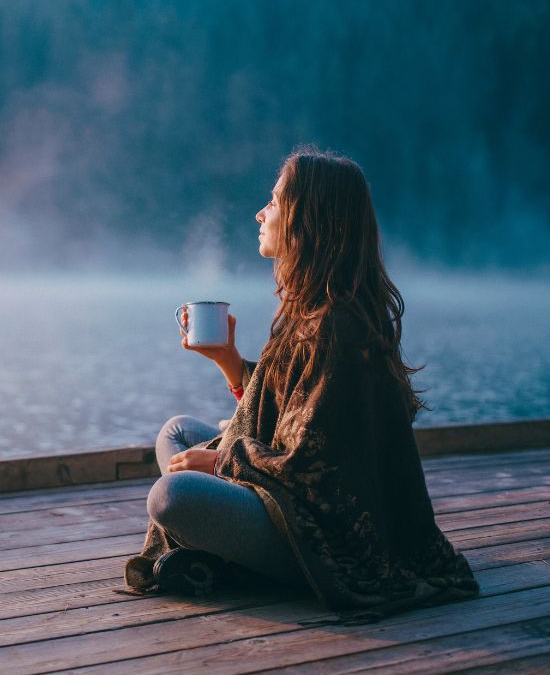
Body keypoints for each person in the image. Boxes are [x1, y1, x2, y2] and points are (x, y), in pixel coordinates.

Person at [138, 145, 479, 625]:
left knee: (171, 497)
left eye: (274, 201)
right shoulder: (311, 308)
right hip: (285, 498)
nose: (260, 212)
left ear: (308, 219)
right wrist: (229, 362)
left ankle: (244, 562)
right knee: (177, 433)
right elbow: (286, 416)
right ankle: (223, 552)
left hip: (328, 537)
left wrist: (220, 463)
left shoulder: (341, 327)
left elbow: (319, 468)